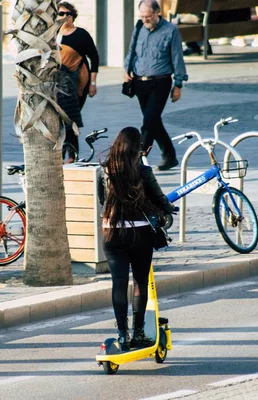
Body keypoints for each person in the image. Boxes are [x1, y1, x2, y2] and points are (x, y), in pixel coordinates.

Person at [98, 127, 175, 351]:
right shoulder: (142, 170)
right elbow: (161, 200)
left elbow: (103, 200)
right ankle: (139, 332)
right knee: (140, 282)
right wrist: (168, 209)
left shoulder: (105, 171)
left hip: (111, 233)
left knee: (118, 284)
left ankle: (122, 334)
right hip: (139, 234)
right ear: (137, 147)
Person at [124, 0, 187, 171]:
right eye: (142, 16)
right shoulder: (138, 28)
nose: (145, 20)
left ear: (157, 12)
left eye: (148, 16)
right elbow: (131, 51)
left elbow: (177, 57)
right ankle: (170, 155)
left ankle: (138, 157)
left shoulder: (170, 30)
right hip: (139, 82)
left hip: (161, 82)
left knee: (148, 121)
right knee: (153, 121)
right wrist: (126, 69)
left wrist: (178, 84)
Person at [56, 2, 100, 162]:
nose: (61, 17)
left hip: (77, 84)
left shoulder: (81, 34)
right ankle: (60, 153)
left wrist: (93, 83)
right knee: (57, 119)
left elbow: (94, 57)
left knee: (70, 117)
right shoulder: (53, 35)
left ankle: (71, 154)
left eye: (64, 13)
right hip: (55, 84)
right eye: (58, 13)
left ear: (72, 16)